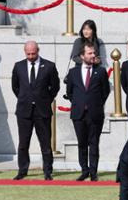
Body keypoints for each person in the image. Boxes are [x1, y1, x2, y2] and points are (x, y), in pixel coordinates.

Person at [12, 41, 60, 180]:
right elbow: (15, 87)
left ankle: (47, 171)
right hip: (24, 111)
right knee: (23, 143)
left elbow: (55, 87)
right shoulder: (19, 66)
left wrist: (45, 100)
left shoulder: (49, 66)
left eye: (33, 53)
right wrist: (25, 98)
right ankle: (22, 170)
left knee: (45, 143)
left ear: (38, 50)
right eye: (28, 54)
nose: (31, 56)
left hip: (42, 110)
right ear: (24, 51)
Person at [65, 43, 110, 181]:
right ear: (82, 56)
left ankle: (93, 172)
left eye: (93, 53)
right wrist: (80, 103)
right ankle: (84, 170)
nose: (92, 56)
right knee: (82, 143)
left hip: (95, 113)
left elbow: (105, 91)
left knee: (94, 143)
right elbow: (70, 92)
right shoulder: (73, 73)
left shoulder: (101, 71)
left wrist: (94, 104)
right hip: (78, 113)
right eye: (89, 53)